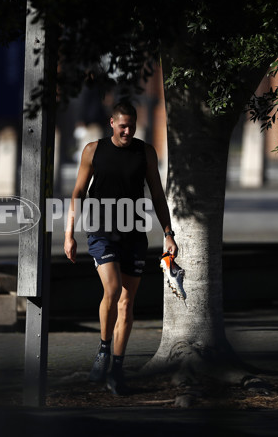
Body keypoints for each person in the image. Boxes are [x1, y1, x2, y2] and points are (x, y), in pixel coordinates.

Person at [64, 101, 178, 396]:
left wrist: (168, 233)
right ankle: (103, 349)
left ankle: (116, 368)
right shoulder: (93, 150)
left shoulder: (145, 152)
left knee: (127, 303)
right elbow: (77, 191)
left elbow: (157, 194)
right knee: (112, 290)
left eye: (132, 126)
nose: (127, 131)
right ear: (111, 123)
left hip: (134, 235)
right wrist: (69, 234)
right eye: (122, 125)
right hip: (101, 231)